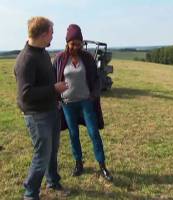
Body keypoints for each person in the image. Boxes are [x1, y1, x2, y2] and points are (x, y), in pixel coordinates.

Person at [14, 17, 69, 200]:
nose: (53, 36)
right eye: (52, 32)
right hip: (37, 115)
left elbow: (46, 82)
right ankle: (30, 193)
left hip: (51, 110)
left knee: (52, 150)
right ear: (44, 33)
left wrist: (56, 94)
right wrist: (54, 89)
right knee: (42, 154)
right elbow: (26, 94)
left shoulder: (43, 53)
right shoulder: (26, 59)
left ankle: (52, 181)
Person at [53, 24, 113, 181]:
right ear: (67, 42)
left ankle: (102, 166)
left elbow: (97, 79)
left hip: (86, 102)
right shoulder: (59, 59)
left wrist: (93, 95)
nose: (76, 47)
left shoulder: (87, 58)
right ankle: (78, 163)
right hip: (68, 104)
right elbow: (54, 80)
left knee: (94, 133)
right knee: (74, 134)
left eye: (79, 44)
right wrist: (58, 97)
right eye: (73, 43)